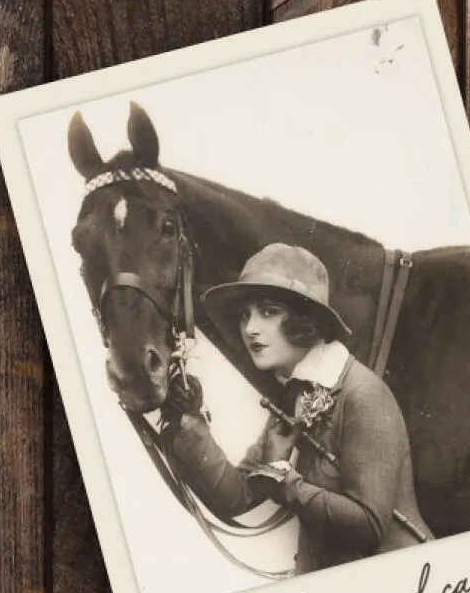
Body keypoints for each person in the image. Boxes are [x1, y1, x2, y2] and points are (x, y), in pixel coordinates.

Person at [159, 243, 434, 575]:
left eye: (268, 312)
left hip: (400, 583)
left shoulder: (363, 394)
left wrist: (284, 481)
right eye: (245, 315)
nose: (250, 328)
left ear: (306, 320)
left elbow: (369, 525)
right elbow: (239, 496)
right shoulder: (294, 397)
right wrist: (191, 421)